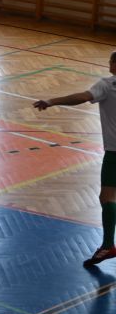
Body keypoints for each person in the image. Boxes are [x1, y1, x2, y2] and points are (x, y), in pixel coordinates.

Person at [33, 53, 116, 267]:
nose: (108, 64)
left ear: (115, 65)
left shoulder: (107, 85)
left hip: (115, 153)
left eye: (110, 61)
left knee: (107, 197)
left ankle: (108, 245)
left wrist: (51, 101)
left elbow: (81, 97)